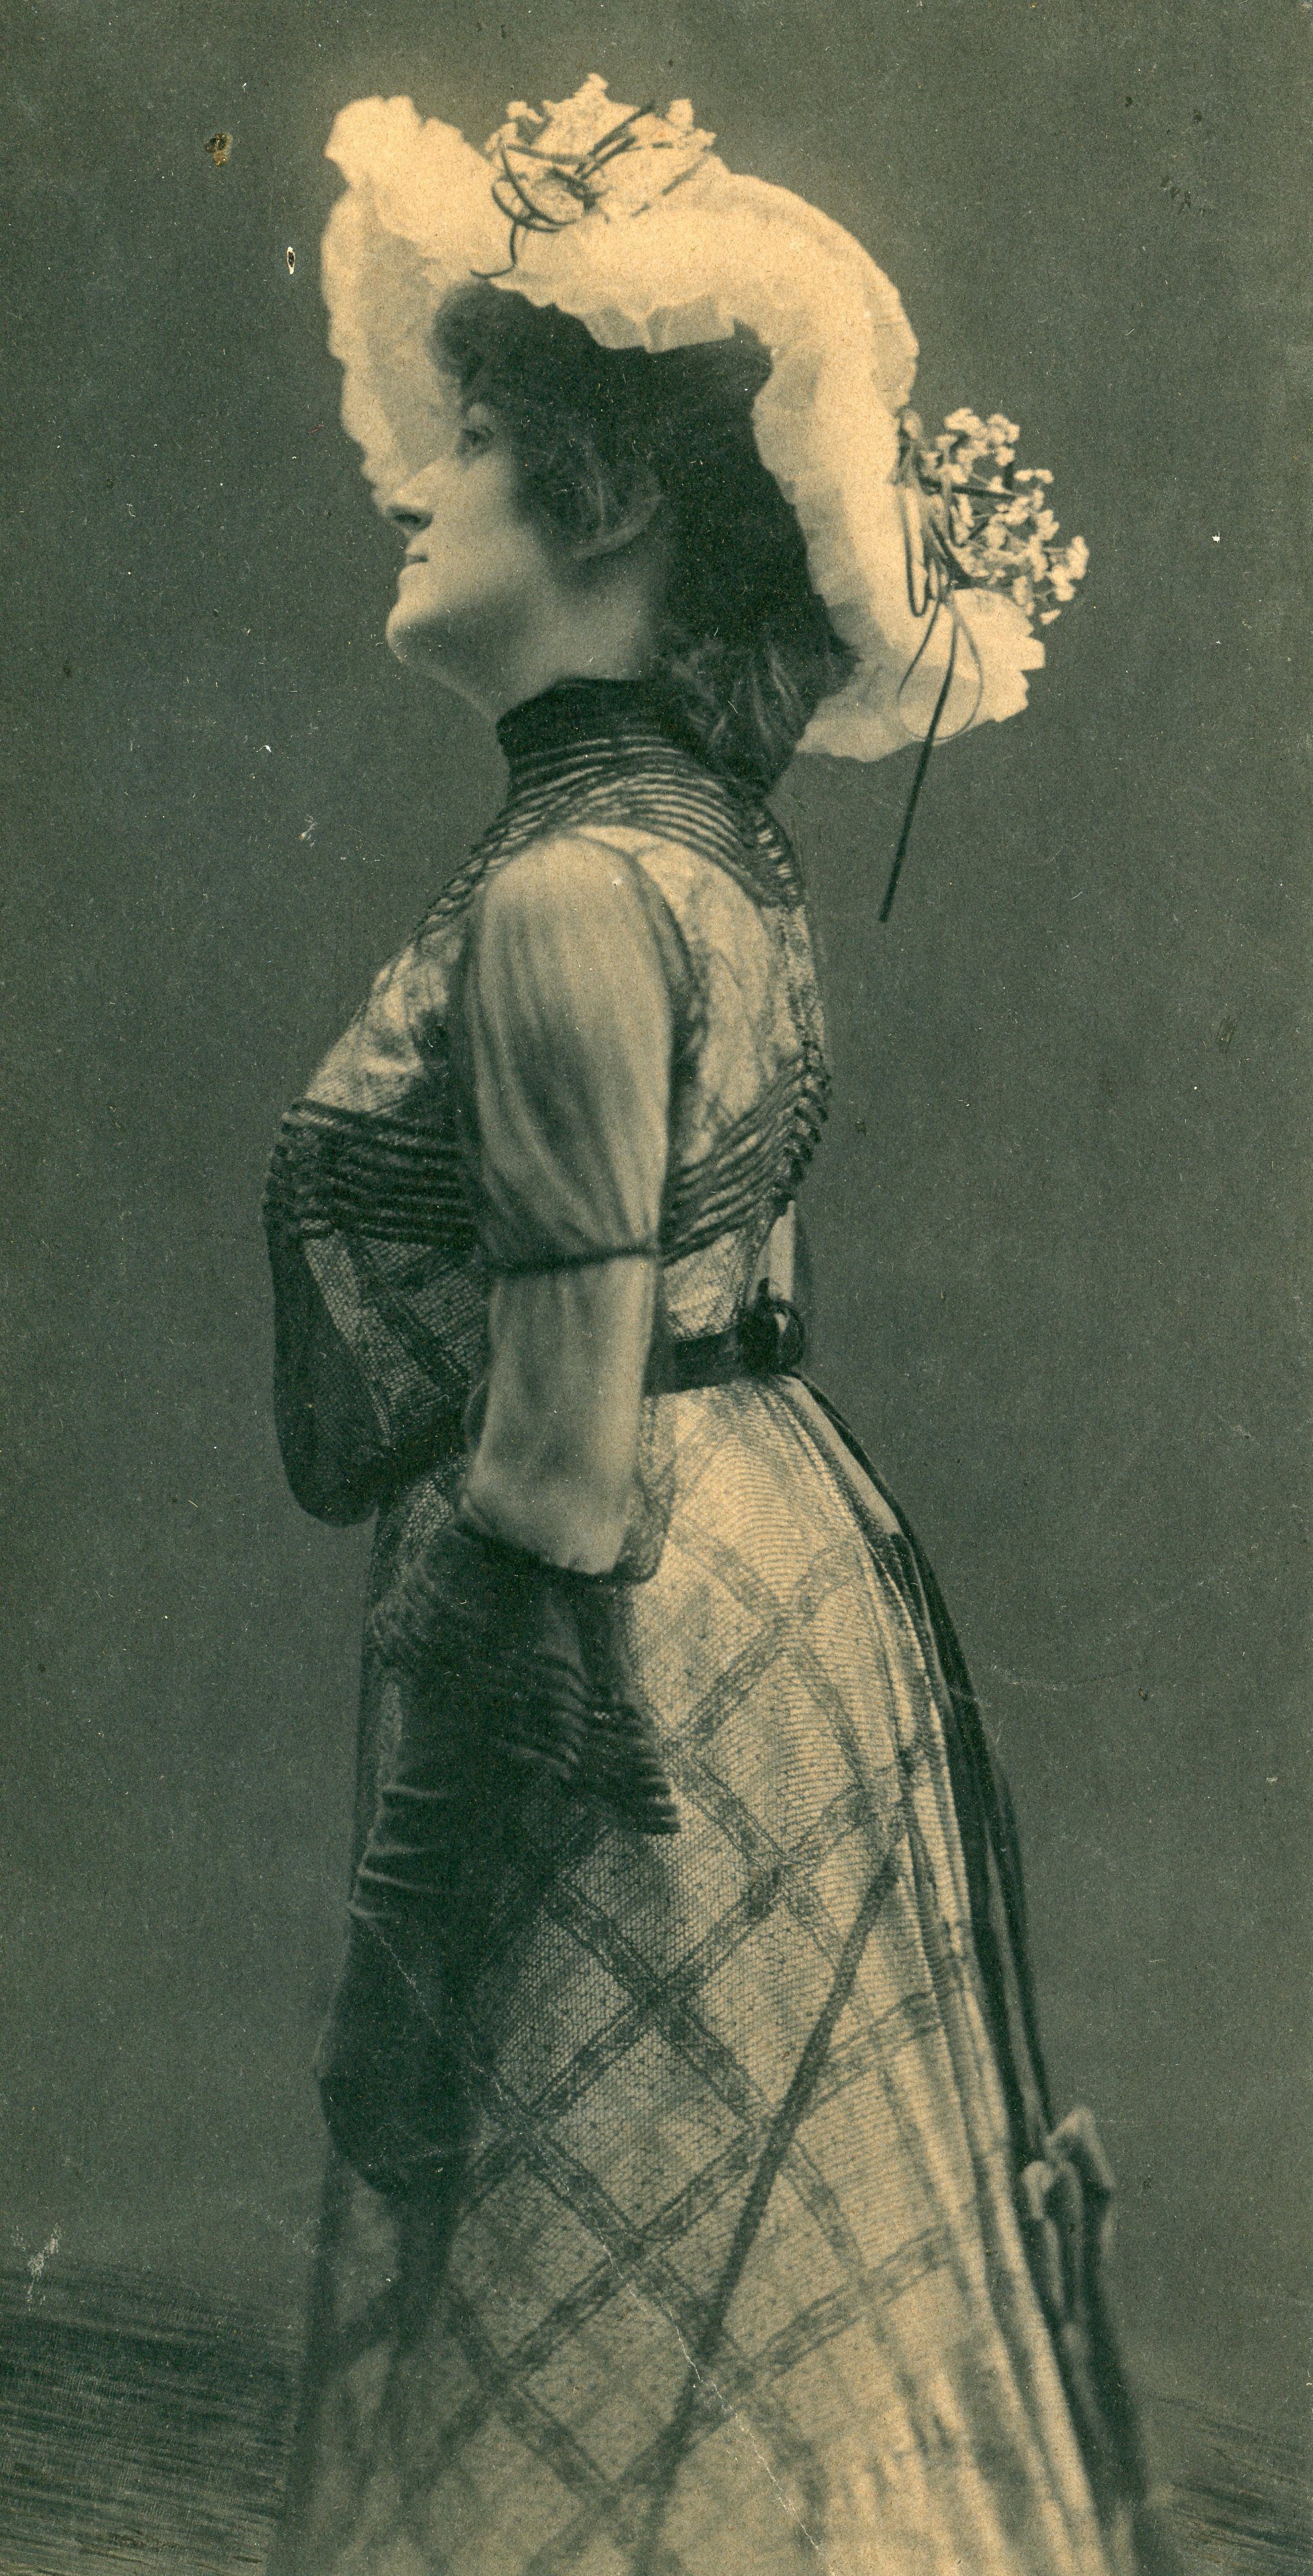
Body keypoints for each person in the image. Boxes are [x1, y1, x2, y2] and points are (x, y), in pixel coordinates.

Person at [263, 78, 1163, 2576]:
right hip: (781, 1577)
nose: (415, 483)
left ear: (612, 508)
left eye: (469, 443)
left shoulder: (571, 893)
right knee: (763, 2257)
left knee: (588, 2246)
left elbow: (554, 1466)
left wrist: (412, 1921)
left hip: (617, 1614)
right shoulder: (712, 863)